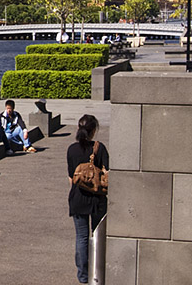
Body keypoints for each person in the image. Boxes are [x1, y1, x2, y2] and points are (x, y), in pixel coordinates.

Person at [67, 114, 109, 284]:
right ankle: (98, 274)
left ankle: (83, 275)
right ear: (93, 131)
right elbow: (107, 173)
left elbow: (71, 177)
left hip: (78, 198)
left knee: (82, 237)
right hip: (97, 198)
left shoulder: (72, 149)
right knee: (97, 235)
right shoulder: (100, 148)